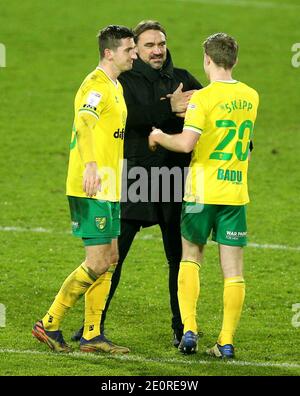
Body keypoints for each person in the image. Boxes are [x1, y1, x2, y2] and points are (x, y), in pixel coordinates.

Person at [72, 20, 202, 348]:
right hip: (134, 180)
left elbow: (208, 115)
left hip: (174, 180)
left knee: (179, 258)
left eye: (161, 43)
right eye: (147, 46)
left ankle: (182, 328)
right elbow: (130, 117)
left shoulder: (184, 79)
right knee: (113, 257)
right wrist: (168, 108)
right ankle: (91, 326)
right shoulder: (123, 81)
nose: (157, 50)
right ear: (136, 50)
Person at [149, 32, 259, 358]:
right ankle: (225, 341)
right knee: (234, 271)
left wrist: (157, 135)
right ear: (234, 60)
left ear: (206, 60)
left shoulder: (202, 99)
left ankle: (190, 331)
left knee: (190, 258)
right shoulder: (251, 96)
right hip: (235, 192)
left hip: (201, 190)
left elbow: (185, 144)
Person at [32, 25, 137, 353]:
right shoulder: (95, 85)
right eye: (128, 50)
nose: (134, 54)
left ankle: (92, 334)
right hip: (89, 185)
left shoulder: (115, 85)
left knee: (112, 258)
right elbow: (84, 122)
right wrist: (91, 165)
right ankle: (50, 322)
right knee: (97, 261)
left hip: (109, 187)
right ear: (109, 53)